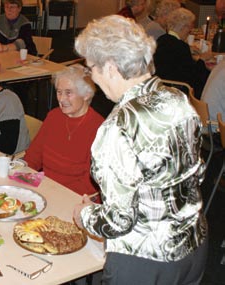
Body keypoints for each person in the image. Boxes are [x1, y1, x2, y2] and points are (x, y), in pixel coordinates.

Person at [73, 15, 208, 284]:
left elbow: (119, 221)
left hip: (145, 261)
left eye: (92, 69)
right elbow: (196, 173)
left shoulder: (117, 127)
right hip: (194, 245)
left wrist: (84, 215)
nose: (93, 78)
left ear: (110, 67)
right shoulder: (178, 98)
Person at [24, 65, 104, 197]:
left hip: (74, 198)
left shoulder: (99, 129)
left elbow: (90, 183)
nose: (61, 99)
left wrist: (53, 192)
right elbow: (33, 156)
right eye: (59, 92)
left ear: (86, 94)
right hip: (45, 188)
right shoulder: (53, 116)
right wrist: (23, 174)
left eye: (68, 93)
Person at [154, 8, 210, 99]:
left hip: (161, 86)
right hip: (178, 89)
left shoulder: (162, 39)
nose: (190, 30)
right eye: (190, 27)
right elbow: (192, 76)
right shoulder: (181, 46)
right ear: (184, 27)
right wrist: (202, 59)